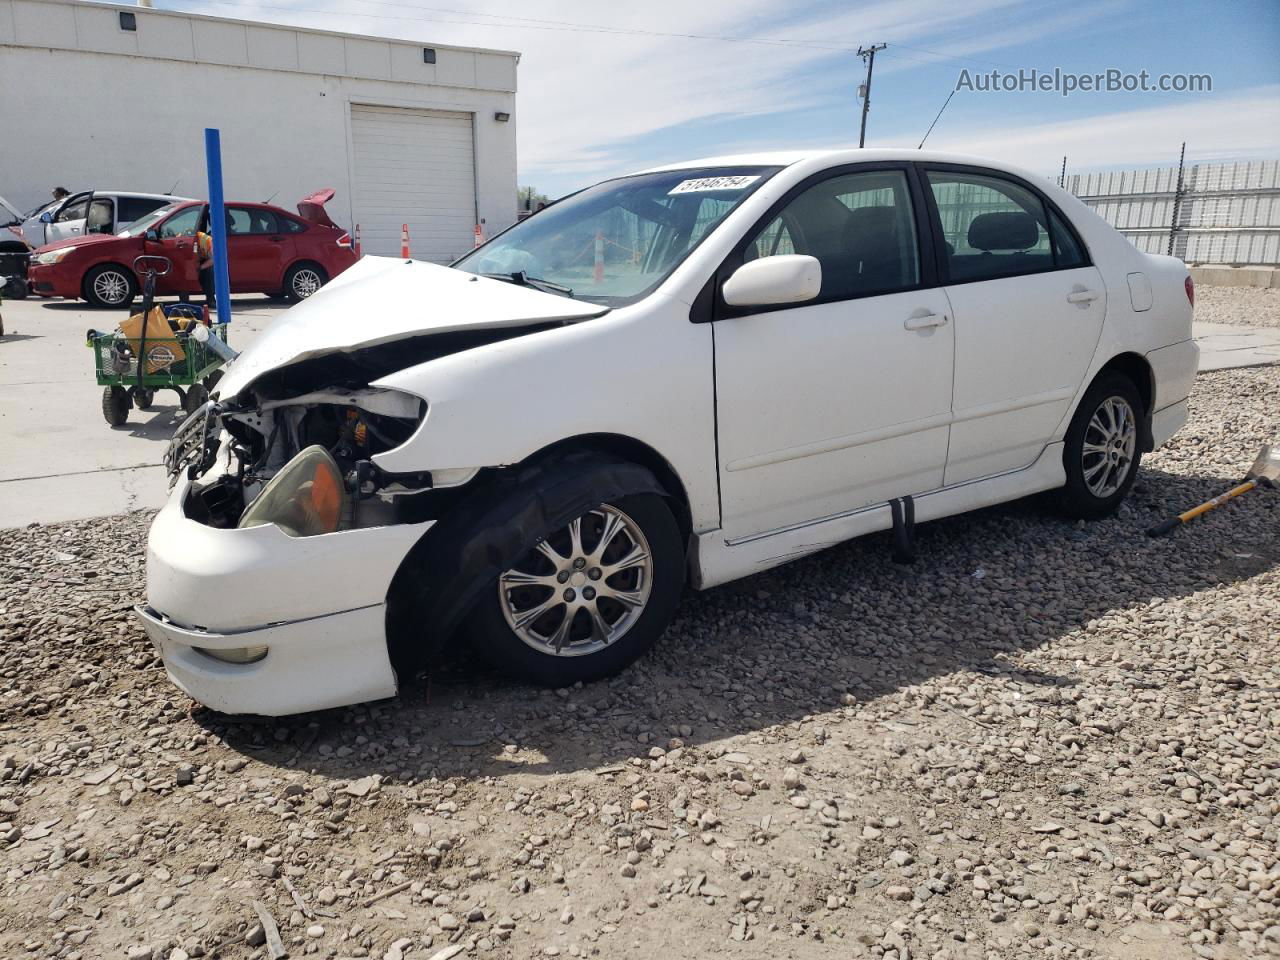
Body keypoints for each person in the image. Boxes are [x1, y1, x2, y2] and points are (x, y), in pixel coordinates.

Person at [195, 223, 215, 310]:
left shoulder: (208, 241)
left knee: (209, 271)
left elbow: (214, 259)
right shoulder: (184, 238)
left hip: (208, 260)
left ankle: (211, 299)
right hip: (198, 260)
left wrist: (200, 268)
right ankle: (183, 301)